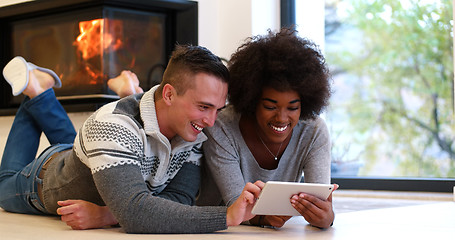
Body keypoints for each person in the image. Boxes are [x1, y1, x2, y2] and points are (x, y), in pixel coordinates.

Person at [0, 45, 263, 234]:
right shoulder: (113, 126)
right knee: (2, 189)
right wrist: (226, 216)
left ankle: (127, 93)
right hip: (43, 180)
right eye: (204, 107)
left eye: (218, 109)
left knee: (92, 146)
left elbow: (180, 197)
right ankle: (36, 91)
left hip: (97, 156)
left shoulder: (192, 130)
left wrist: (107, 214)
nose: (212, 122)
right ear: (168, 95)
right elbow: (136, 215)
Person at [196, 28, 337, 229]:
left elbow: (321, 199)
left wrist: (325, 217)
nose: (281, 118)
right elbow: (236, 205)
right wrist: (262, 218)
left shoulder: (313, 131)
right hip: (217, 230)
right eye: (270, 107)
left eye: (293, 108)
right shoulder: (222, 126)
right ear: (252, 101)